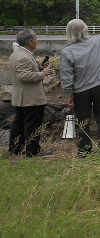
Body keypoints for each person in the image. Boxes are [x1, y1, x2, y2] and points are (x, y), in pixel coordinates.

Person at [60, 20, 100, 157]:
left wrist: (68, 94)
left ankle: (84, 150)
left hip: (80, 91)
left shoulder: (67, 51)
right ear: (86, 29)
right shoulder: (97, 41)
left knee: (82, 120)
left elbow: (67, 76)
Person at [8, 29, 54, 157]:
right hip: (30, 98)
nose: (37, 41)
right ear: (30, 42)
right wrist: (42, 73)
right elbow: (24, 76)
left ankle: (15, 149)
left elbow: (24, 72)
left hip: (21, 97)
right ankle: (32, 151)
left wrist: (38, 67)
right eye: (36, 39)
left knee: (20, 123)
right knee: (32, 125)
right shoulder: (23, 56)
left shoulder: (18, 53)